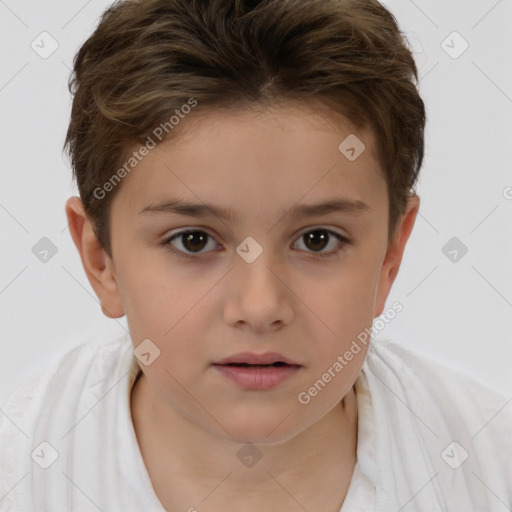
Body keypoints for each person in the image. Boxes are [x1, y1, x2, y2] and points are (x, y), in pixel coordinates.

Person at [1, 0, 510, 510]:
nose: (260, 306)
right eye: (193, 241)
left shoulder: (489, 468)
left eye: (318, 239)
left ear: (389, 256)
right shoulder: (21, 475)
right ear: (100, 260)